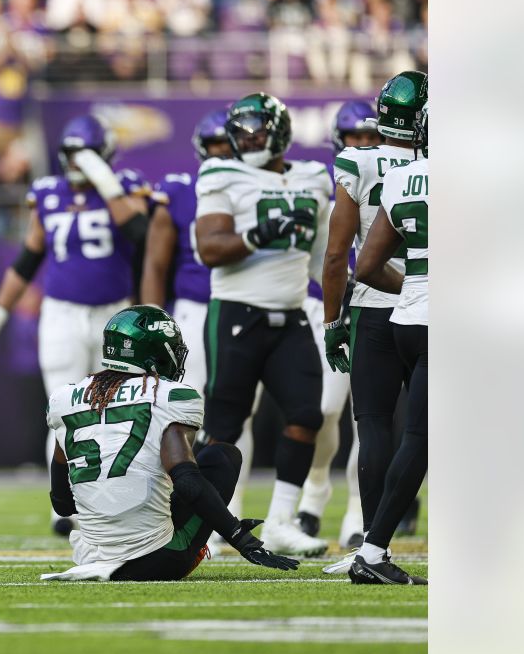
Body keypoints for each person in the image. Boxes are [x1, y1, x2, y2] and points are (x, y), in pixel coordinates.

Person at [0, 113, 151, 536]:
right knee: (63, 407)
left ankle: (116, 497)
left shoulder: (124, 186)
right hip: (61, 312)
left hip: (116, 313)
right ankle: (63, 504)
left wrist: (103, 179)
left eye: (84, 154)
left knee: (119, 406)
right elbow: (29, 259)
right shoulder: (49, 194)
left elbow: (142, 233)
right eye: (72, 154)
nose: (76, 163)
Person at [40, 305, 299, 581]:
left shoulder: (64, 400)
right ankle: (191, 547)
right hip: (155, 560)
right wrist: (240, 537)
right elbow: (188, 482)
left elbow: (62, 504)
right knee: (222, 457)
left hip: (90, 557)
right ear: (153, 354)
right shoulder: (169, 396)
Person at [193, 92, 332, 557]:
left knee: (307, 416)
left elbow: (323, 259)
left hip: (292, 314)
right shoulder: (222, 173)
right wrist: (257, 235)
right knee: (224, 425)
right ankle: (205, 525)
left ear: (280, 132)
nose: (250, 137)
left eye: (259, 128)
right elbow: (209, 249)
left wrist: (341, 311)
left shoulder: (313, 179)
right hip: (237, 312)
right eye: (243, 129)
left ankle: (280, 522)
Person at [319, 73, 427, 570]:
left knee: (374, 425)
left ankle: (368, 540)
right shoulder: (431, 164)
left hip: (372, 305)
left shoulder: (359, 161)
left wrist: (331, 319)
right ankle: (374, 544)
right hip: (427, 306)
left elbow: (340, 250)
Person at [142, 108, 260, 554]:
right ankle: (177, 511)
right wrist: (151, 319)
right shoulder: (179, 189)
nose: (217, 157)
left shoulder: (253, 187)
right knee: (182, 410)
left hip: (239, 301)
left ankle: (230, 505)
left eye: (223, 149)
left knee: (234, 408)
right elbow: (156, 260)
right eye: (210, 150)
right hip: (191, 309)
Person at [293, 99, 383, 548]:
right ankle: (315, 490)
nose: (364, 146)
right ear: (339, 142)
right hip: (323, 307)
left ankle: (357, 510)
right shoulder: (317, 188)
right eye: (355, 139)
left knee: (367, 417)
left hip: (372, 303)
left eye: (371, 138)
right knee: (325, 411)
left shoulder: (394, 183)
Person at [346, 102, 428, 585]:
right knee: (419, 439)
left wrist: (419, 286)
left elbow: (367, 267)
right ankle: (372, 552)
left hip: (408, 319)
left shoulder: (402, 178)